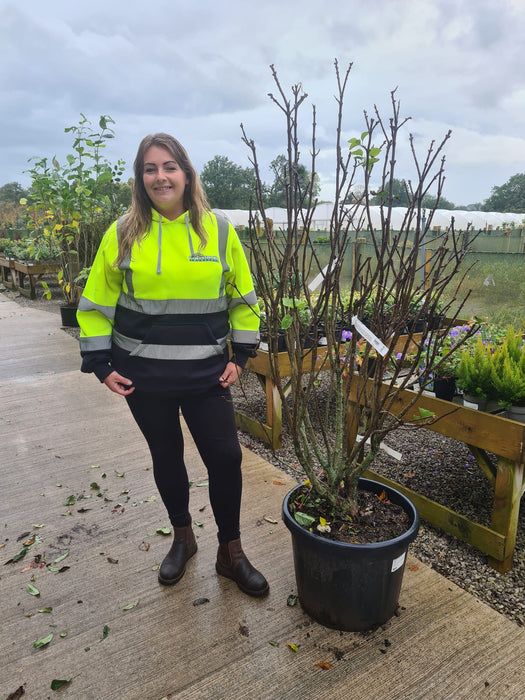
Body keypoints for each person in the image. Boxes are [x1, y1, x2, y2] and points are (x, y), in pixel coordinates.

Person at [77, 133, 268, 597]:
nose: (159, 177)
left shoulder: (218, 231)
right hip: (143, 377)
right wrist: (101, 364)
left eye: (168, 167)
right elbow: (97, 303)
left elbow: (242, 298)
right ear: (140, 178)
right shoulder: (122, 232)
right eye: (149, 169)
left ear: (186, 173)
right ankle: (183, 538)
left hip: (206, 375)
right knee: (167, 458)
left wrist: (241, 356)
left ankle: (231, 552)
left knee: (225, 459)